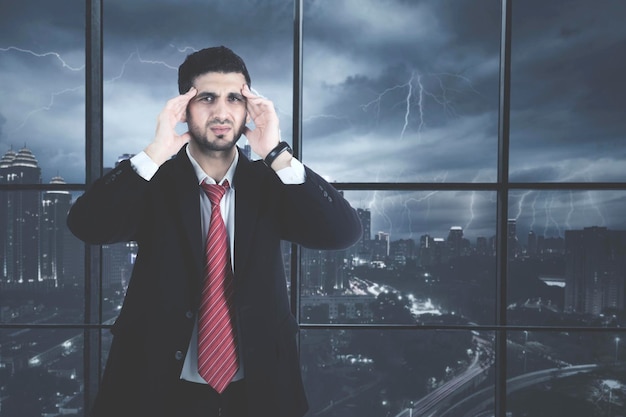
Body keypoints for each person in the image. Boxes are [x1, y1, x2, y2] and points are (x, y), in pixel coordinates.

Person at [67, 45, 362, 417]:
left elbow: (342, 233)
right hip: (156, 387)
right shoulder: (154, 181)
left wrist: (277, 153)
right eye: (207, 98)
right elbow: (86, 225)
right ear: (183, 108)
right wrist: (154, 152)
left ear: (248, 108)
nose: (222, 112)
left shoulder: (271, 183)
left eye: (234, 99)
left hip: (259, 389)